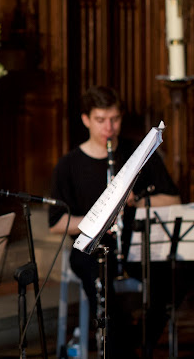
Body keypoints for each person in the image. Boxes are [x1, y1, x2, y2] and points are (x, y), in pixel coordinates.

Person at [48, 86, 180, 354]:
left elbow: (173, 200)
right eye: (100, 120)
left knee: (176, 276)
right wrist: (98, 219)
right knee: (101, 284)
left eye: (115, 119)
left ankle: (140, 343)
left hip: (136, 243)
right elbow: (57, 223)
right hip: (93, 249)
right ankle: (124, 347)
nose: (109, 127)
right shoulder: (69, 164)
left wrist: (135, 199)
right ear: (85, 119)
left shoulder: (139, 154)